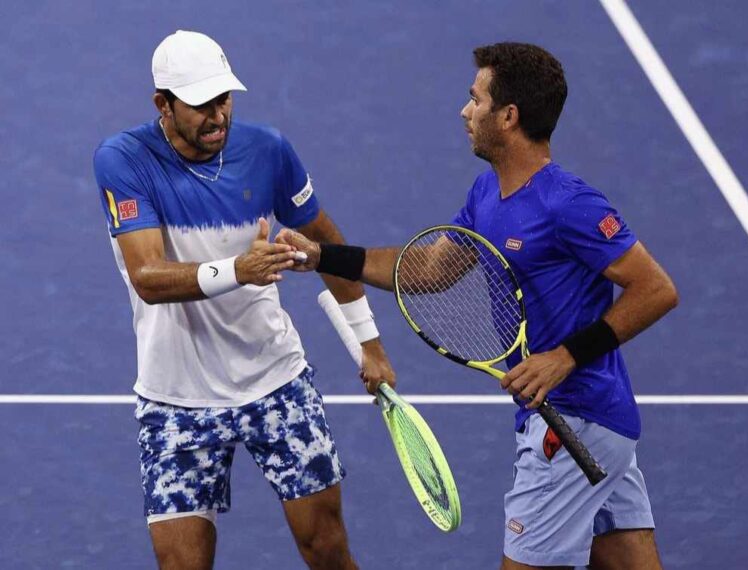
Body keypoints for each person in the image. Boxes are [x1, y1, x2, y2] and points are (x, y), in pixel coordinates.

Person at [277, 42, 678, 569]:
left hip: (575, 421)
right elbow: (428, 270)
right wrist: (322, 256)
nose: (465, 112)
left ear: (508, 117)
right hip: (595, 425)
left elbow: (656, 289)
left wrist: (564, 357)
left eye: (476, 100)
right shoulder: (487, 194)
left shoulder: (570, 204)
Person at [93, 30, 394, 570]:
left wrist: (369, 342)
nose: (218, 114)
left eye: (224, 98)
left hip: (275, 382)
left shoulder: (269, 150)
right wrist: (240, 269)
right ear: (162, 104)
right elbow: (148, 277)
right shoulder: (123, 161)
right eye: (201, 104)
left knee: (327, 549)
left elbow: (331, 249)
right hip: (174, 401)